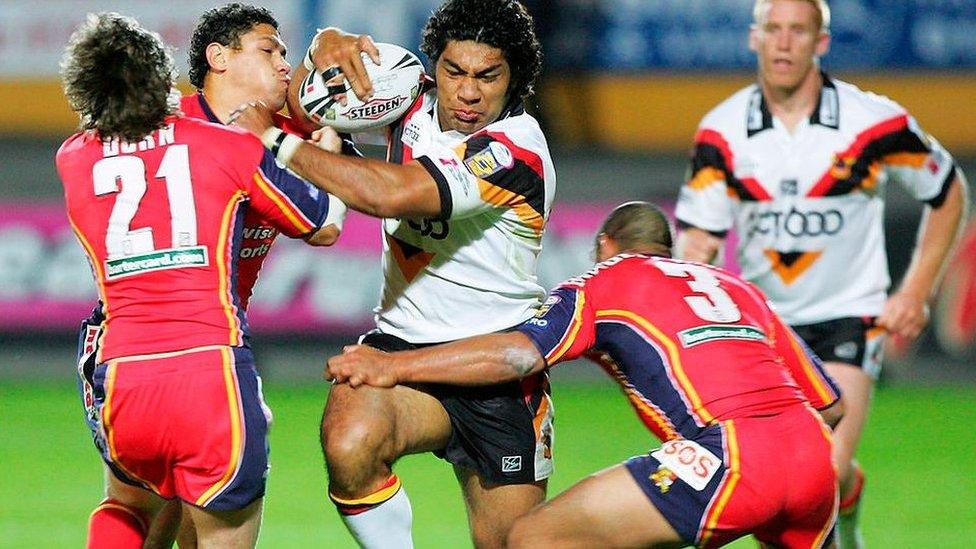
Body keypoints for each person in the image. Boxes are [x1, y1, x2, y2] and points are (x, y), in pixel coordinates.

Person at [327, 201, 845, 548]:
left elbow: (518, 356)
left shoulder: (606, 280)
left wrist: (392, 365)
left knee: (532, 540)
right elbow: (832, 405)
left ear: (603, 244)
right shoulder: (734, 287)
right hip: (815, 461)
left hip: (731, 458)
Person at [231, 1, 553, 546]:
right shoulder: (409, 97)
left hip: (491, 369)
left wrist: (277, 141)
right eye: (455, 72)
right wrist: (321, 46)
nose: (468, 93)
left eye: (487, 76)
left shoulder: (515, 152)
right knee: (349, 440)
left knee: (513, 542)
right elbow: (306, 100)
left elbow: (392, 194)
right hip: (400, 349)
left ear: (514, 77)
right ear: (436, 68)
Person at [673, 1, 969, 546]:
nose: (784, 43)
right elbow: (701, 233)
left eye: (798, 31)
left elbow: (948, 189)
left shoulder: (872, 122)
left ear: (821, 42)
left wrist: (916, 291)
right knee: (782, 481)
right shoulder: (721, 130)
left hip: (849, 320)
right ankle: (849, 496)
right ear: (753, 38)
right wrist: (692, 258)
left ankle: (840, 496)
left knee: (818, 475)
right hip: (764, 332)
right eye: (774, 30)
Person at [57, 12, 339, 548]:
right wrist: (326, 156)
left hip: (122, 370)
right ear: (167, 77)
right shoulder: (226, 145)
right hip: (210, 364)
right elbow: (323, 222)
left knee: (128, 502)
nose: (281, 64)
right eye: (269, 51)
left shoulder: (73, 157)